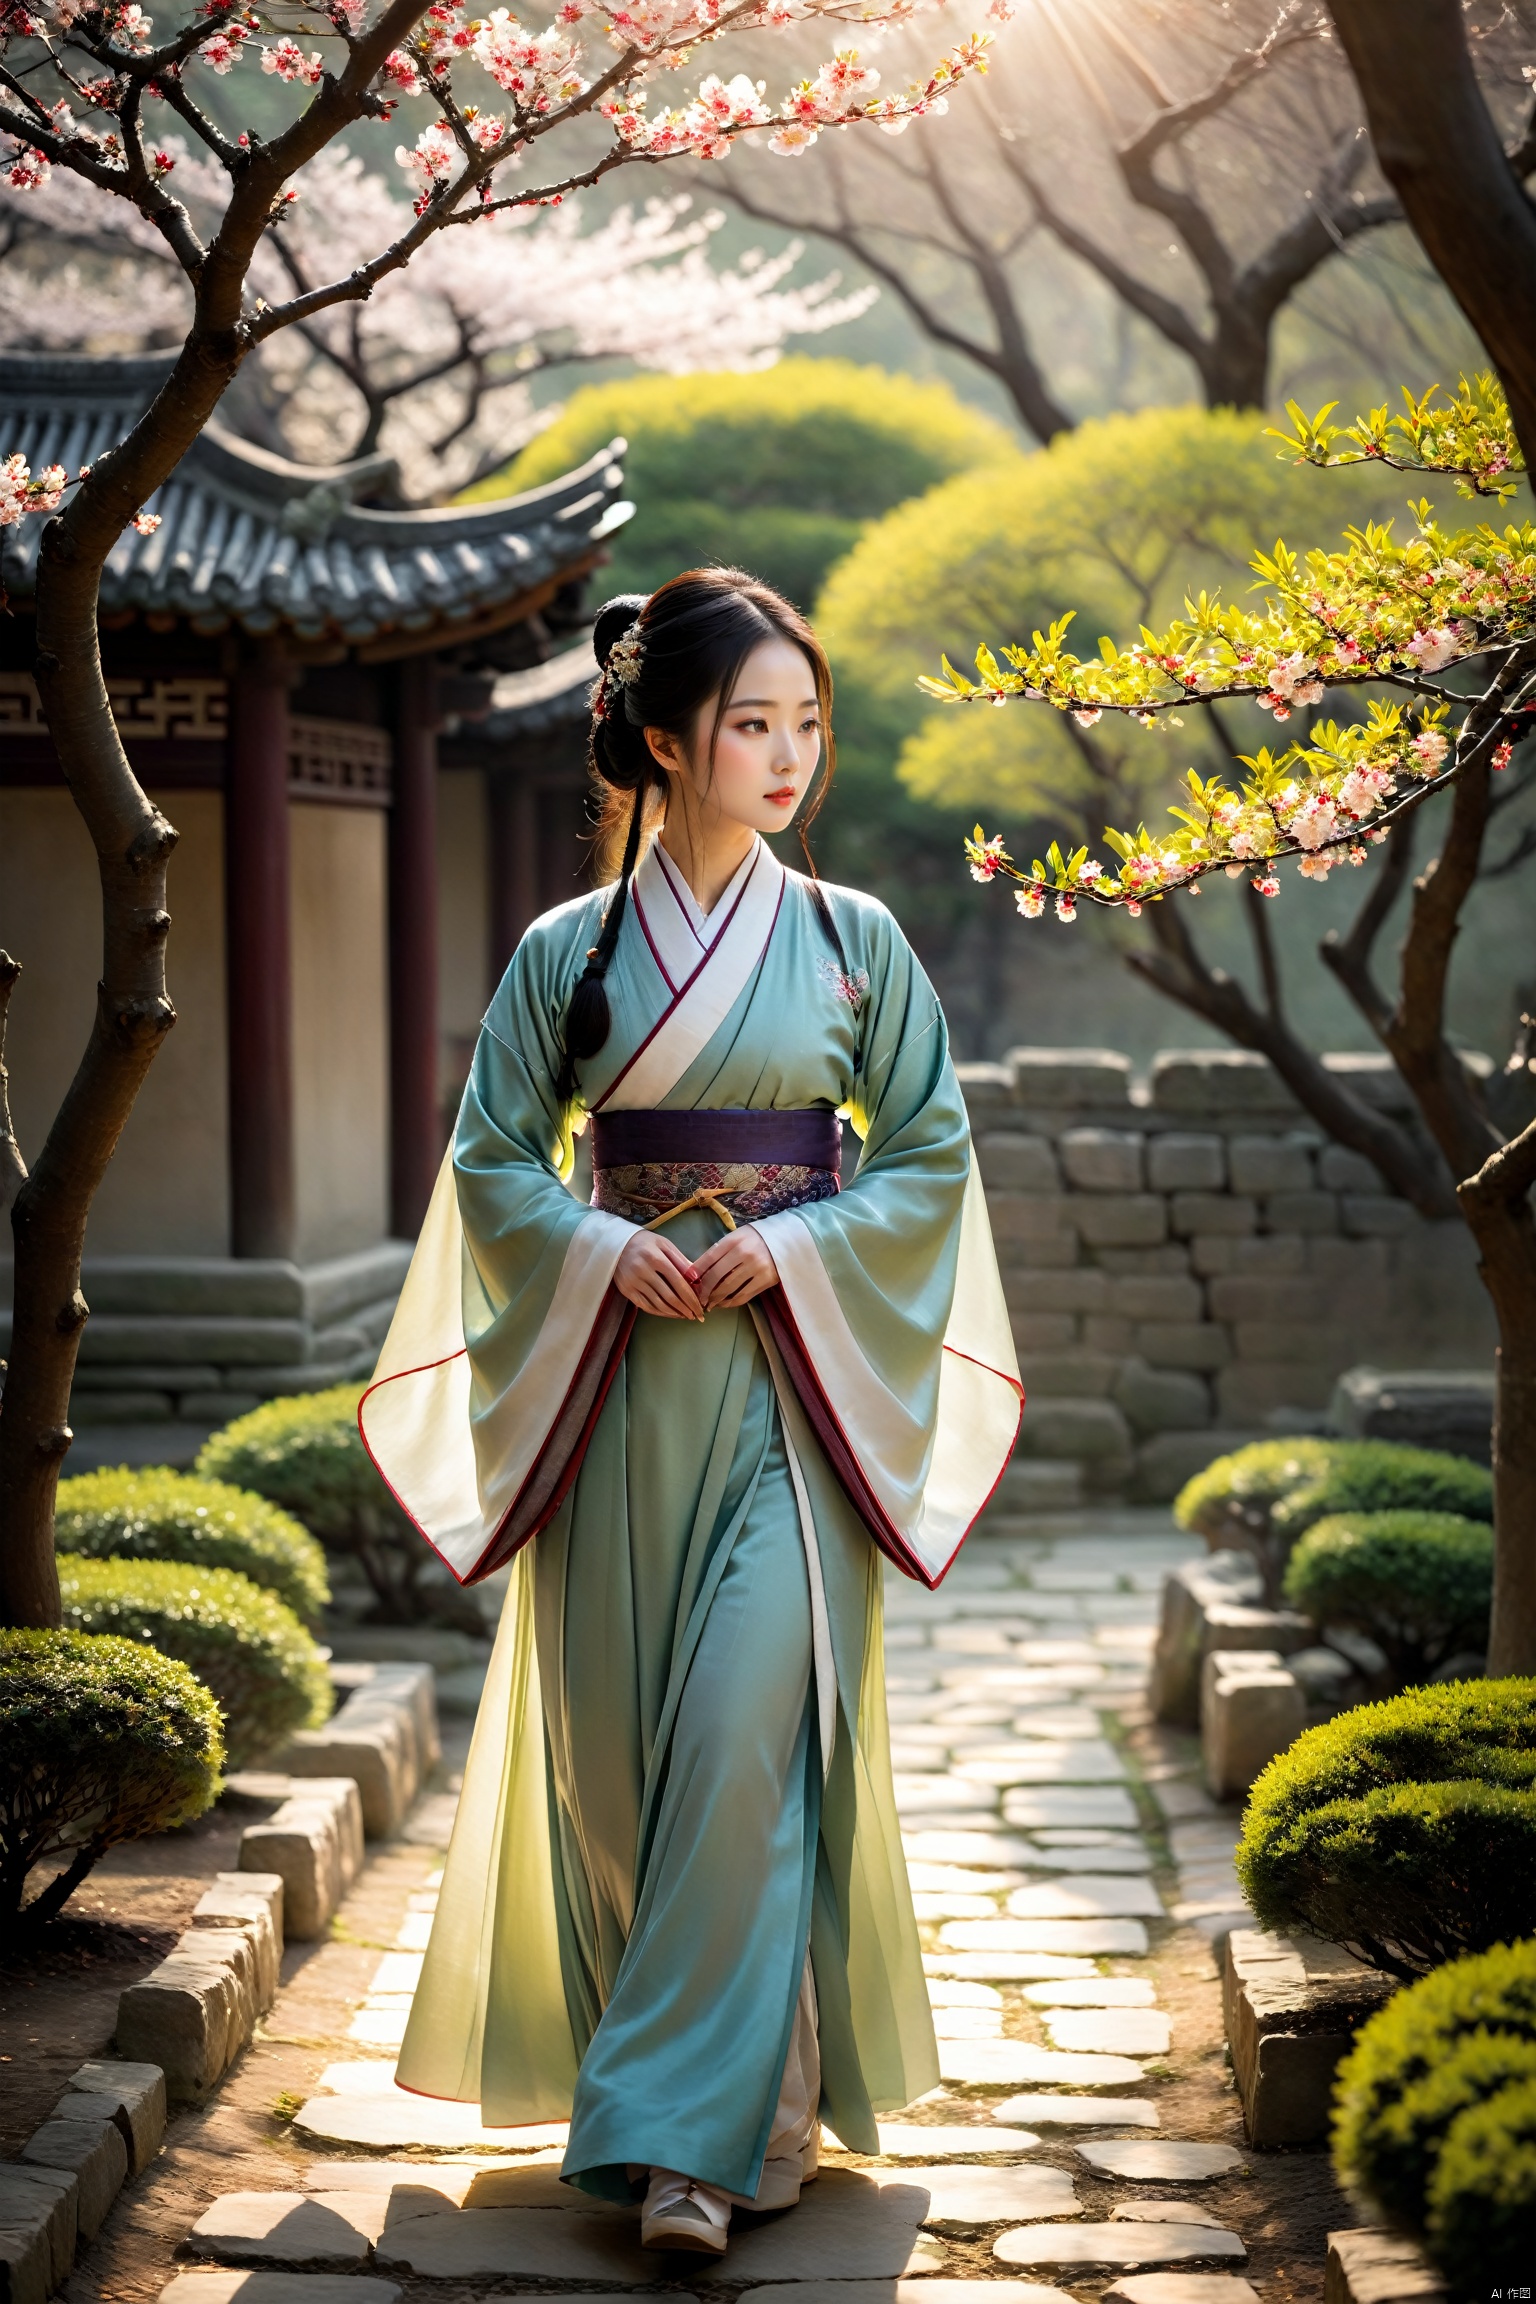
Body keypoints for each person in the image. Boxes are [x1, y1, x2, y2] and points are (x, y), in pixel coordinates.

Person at [360, 568, 1021, 2258]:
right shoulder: (564, 956)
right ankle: (730, 2102)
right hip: (616, 1399)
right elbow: (494, 1157)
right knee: (622, 1780)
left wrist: (795, 1246)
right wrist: (597, 1247)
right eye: (753, 724)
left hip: (789, 1414)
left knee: (744, 1745)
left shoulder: (855, 943)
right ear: (664, 741)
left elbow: (930, 1153)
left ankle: (684, 2156)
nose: (791, 754)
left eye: (809, 722)